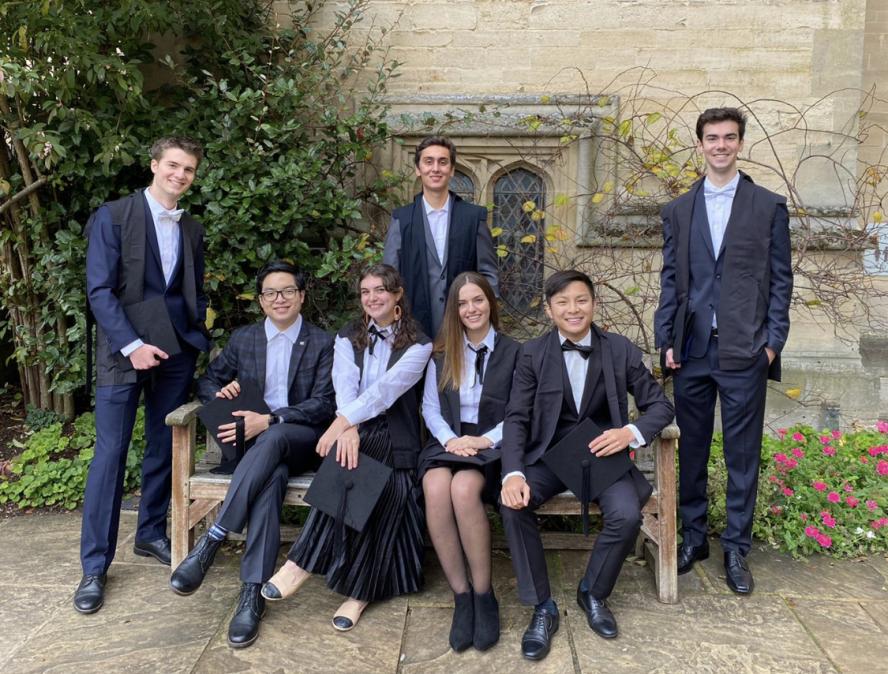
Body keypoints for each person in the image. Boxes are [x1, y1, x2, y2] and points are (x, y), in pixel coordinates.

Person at [500, 270, 674, 660]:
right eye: (562, 302)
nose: (573, 309)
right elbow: (516, 418)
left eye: (581, 300)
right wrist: (512, 472)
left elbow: (660, 405)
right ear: (549, 310)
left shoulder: (620, 350)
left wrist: (630, 432)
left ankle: (592, 592)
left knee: (628, 514)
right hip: (550, 456)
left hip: (602, 455)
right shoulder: (531, 354)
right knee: (512, 504)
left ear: (594, 304)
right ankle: (542, 606)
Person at [655, 107, 793, 595]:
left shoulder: (768, 206)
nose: (720, 146)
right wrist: (666, 339)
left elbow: (780, 280)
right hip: (691, 350)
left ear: (739, 143)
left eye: (728, 138)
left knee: (741, 455)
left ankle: (736, 546)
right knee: (690, 450)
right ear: (700, 145)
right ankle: (695, 537)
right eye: (711, 138)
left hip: (744, 351)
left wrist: (772, 344)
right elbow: (671, 280)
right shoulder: (678, 209)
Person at [168, 260, 336, 648]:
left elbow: (325, 403)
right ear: (261, 301)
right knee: (270, 478)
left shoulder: (323, 342)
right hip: (255, 455)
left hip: (300, 441)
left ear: (302, 296)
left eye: (288, 291)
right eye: (271, 293)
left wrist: (272, 419)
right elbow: (206, 380)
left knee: (274, 440)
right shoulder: (244, 340)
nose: (280, 299)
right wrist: (219, 392)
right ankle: (251, 594)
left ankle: (213, 537)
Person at [76, 137, 210, 614]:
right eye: (173, 165)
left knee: (162, 445)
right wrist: (131, 346)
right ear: (154, 165)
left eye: (188, 169)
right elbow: (100, 291)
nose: (180, 174)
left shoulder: (191, 228)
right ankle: (94, 566)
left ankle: (150, 532)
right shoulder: (113, 217)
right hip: (123, 353)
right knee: (110, 454)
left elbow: (192, 287)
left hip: (175, 351)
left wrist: (195, 333)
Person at [260, 264, 432, 633]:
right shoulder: (348, 335)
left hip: (396, 435)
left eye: (381, 290)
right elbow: (345, 384)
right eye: (366, 291)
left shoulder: (419, 342)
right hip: (357, 428)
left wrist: (342, 424)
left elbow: (385, 391)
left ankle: (302, 565)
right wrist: (348, 424)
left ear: (398, 293)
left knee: (376, 479)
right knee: (373, 477)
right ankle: (355, 592)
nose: (372, 298)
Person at [418, 271, 520, 652]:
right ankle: (461, 597)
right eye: (462, 303)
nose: (471, 308)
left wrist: (484, 439)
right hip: (449, 438)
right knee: (435, 485)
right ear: (454, 310)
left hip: (493, 442)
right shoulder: (443, 353)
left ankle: (483, 595)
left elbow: (520, 412)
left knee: (463, 489)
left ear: (490, 303)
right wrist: (451, 440)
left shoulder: (515, 352)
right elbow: (430, 408)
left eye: (478, 300)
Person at [383, 136, 498, 339]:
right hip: (414, 330)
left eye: (443, 162)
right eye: (429, 161)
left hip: (465, 328)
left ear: (452, 170)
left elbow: (488, 274)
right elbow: (390, 278)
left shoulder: (473, 217)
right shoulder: (401, 218)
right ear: (418, 169)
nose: (435, 168)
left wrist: (484, 324)